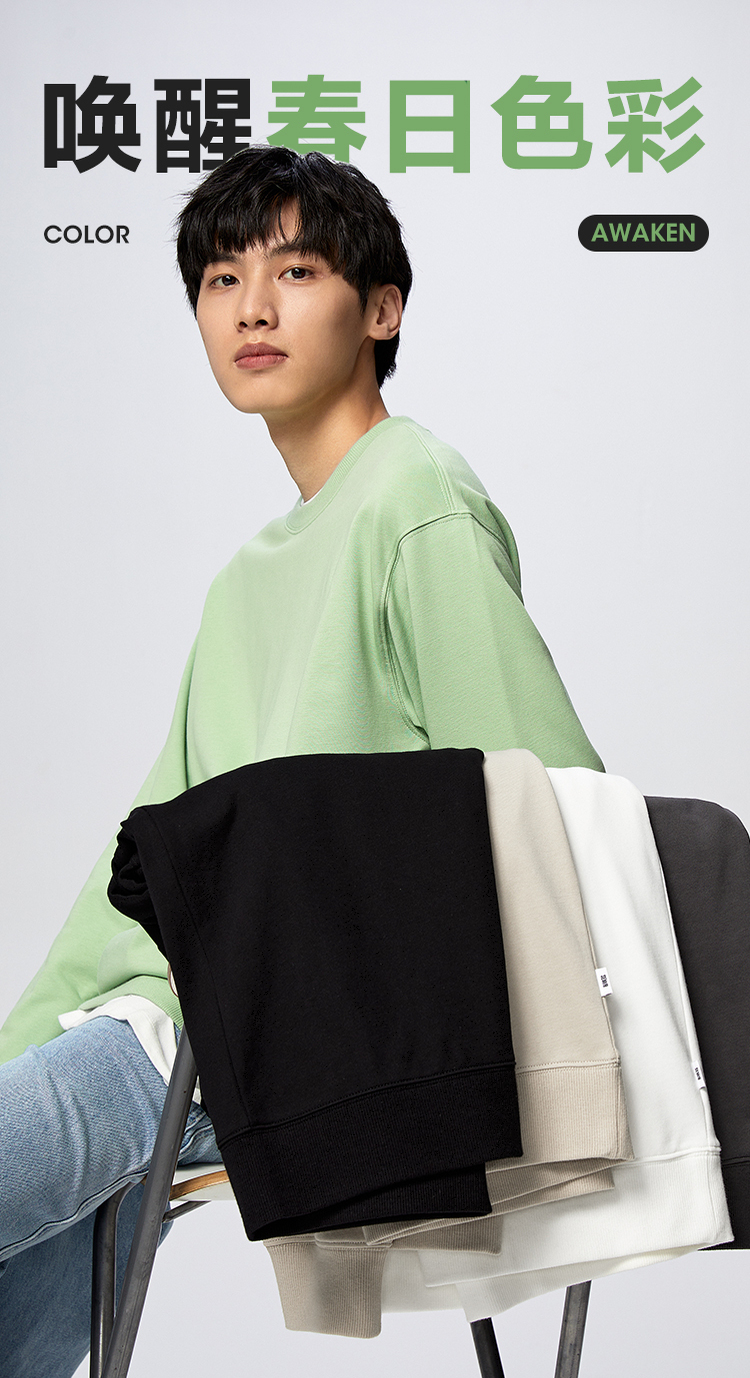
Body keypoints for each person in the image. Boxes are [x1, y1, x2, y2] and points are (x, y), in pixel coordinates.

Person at [0, 145, 603, 1376]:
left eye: (296, 271)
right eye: (222, 279)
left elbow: (545, 792)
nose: (253, 308)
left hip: (262, 1042)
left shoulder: (413, 495)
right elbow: (147, 859)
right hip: (163, 1025)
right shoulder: (244, 583)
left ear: (381, 309)